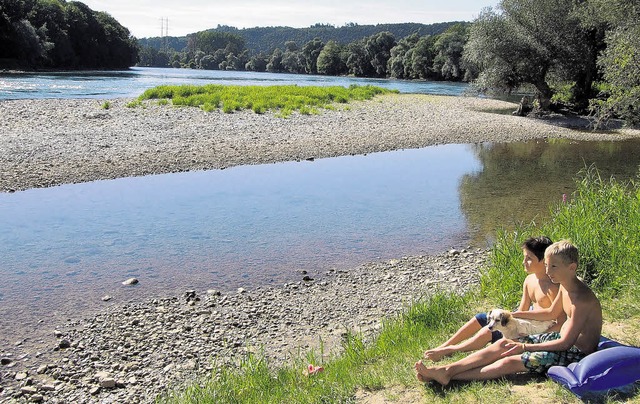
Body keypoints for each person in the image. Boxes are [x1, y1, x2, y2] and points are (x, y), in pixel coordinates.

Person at [415, 240, 603, 385]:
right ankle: (446, 370)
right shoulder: (565, 285)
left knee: (509, 362)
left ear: (572, 268)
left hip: (575, 353)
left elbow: (565, 343)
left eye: (553, 266)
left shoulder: (581, 300)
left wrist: (525, 347)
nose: (548, 271)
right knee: (504, 343)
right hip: (559, 342)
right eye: (546, 265)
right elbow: (549, 313)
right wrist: (516, 315)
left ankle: (449, 376)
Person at [424, 236, 563, 361]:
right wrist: (512, 322)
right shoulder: (529, 280)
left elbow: (560, 321)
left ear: (544, 260)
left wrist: (535, 337)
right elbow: (522, 310)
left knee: (488, 331)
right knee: (482, 318)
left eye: (529, 259)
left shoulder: (553, 287)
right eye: (524, 257)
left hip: (537, 330)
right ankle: (445, 345)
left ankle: (452, 350)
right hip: (525, 323)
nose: (524, 262)